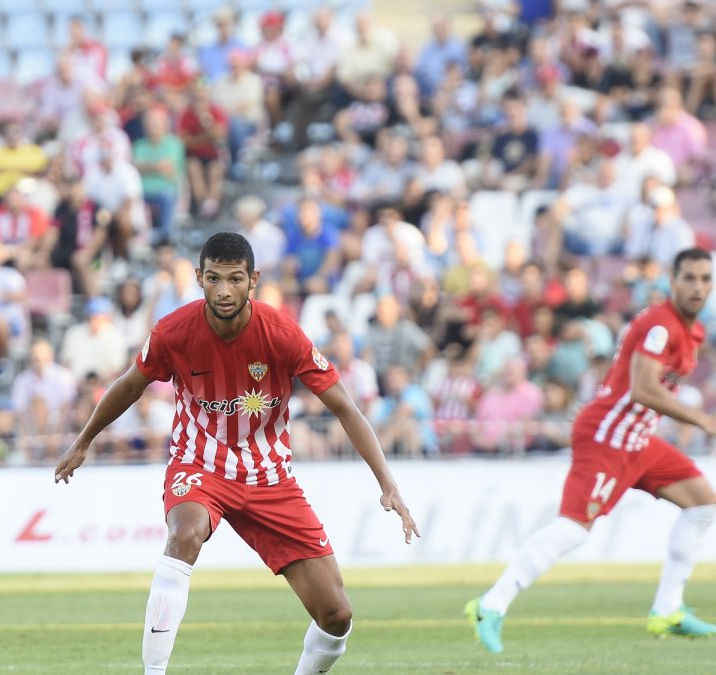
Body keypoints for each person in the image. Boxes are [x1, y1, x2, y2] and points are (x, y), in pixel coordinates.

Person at [54, 232, 419, 674]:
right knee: (184, 533)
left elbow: (345, 408)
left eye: (234, 279)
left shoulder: (283, 334)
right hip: (200, 465)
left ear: (253, 280)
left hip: (270, 478)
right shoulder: (173, 331)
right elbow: (130, 385)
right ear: (199, 278)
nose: (223, 290)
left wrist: (387, 484)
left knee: (336, 615)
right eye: (213, 279)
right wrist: (84, 439)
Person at [466, 247, 716, 652]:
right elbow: (643, 388)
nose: (698, 287)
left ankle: (668, 610)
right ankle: (490, 604)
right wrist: (701, 419)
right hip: (607, 435)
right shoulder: (661, 325)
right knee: (572, 529)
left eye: (705, 279)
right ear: (672, 281)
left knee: (703, 503)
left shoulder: (694, 331)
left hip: (638, 440)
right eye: (689, 278)